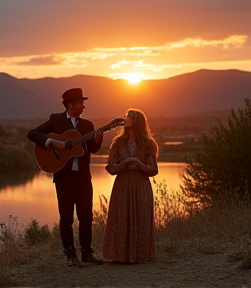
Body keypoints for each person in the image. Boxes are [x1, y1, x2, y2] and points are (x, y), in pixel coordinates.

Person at [27, 88, 103, 267]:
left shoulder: (88, 125)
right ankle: (70, 255)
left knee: (86, 217)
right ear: (69, 104)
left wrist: (98, 140)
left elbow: (92, 149)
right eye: (80, 103)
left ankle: (87, 253)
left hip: (84, 178)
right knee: (66, 218)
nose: (83, 106)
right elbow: (32, 134)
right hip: (64, 178)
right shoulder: (56, 121)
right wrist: (52, 142)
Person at [103, 108, 158, 263]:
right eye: (126, 115)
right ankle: (120, 255)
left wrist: (138, 163)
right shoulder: (118, 142)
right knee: (121, 217)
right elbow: (111, 168)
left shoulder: (148, 143)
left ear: (137, 122)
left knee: (141, 217)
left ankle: (140, 255)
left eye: (129, 116)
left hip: (141, 185)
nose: (125, 118)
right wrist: (126, 163)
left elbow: (153, 170)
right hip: (123, 184)